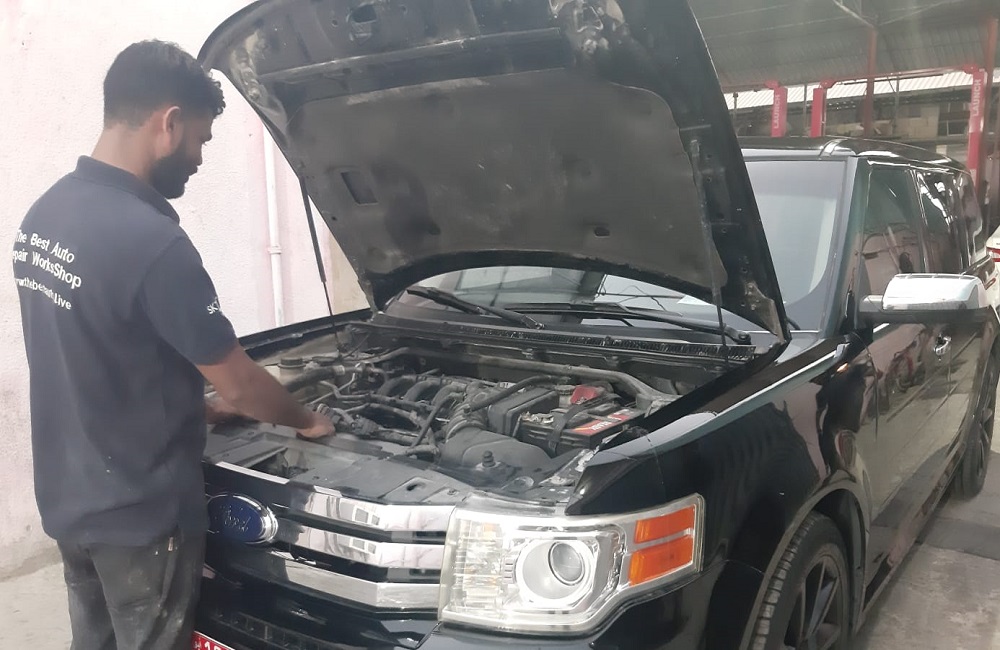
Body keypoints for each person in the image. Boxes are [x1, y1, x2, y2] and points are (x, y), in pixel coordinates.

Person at [12, 40, 336, 650]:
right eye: (201, 141)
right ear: (170, 122)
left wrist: (200, 409)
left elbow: (96, 351)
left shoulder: (43, 218)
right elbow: (242, 382)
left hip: (69, 499)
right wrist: (308, 420)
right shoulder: (153, 242)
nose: (199, 159)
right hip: (141, 519)